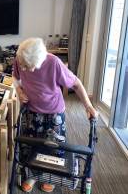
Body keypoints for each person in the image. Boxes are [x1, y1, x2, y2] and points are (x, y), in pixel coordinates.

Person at [12, 38, 98, 193]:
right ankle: (33, 175)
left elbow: (76, 84)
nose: (24, 68)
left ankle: (49, 175)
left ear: (39, 60)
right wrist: (19, 91)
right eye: (22, 65)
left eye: (28, 66)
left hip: (54, 111)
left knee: (54, 146)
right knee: (31, 144)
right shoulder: (20, 59)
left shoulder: (54, 63)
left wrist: (88, 106)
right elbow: (15, 78)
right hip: (32, 109)